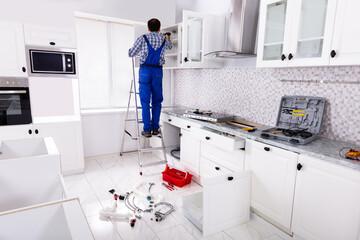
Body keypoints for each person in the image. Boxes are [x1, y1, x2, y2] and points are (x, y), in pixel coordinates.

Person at [128, 18, 172, 138]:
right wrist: (167, 38)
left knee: (145, 101)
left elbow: (131, 53)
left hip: (145, 71)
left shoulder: (143, 38)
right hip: (158, 71)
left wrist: (132, 51)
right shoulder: (163, 39)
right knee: (157, 101)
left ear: (148, 28)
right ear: (159, 29)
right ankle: (155, 128)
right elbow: (170, 47)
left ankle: (147, 130)